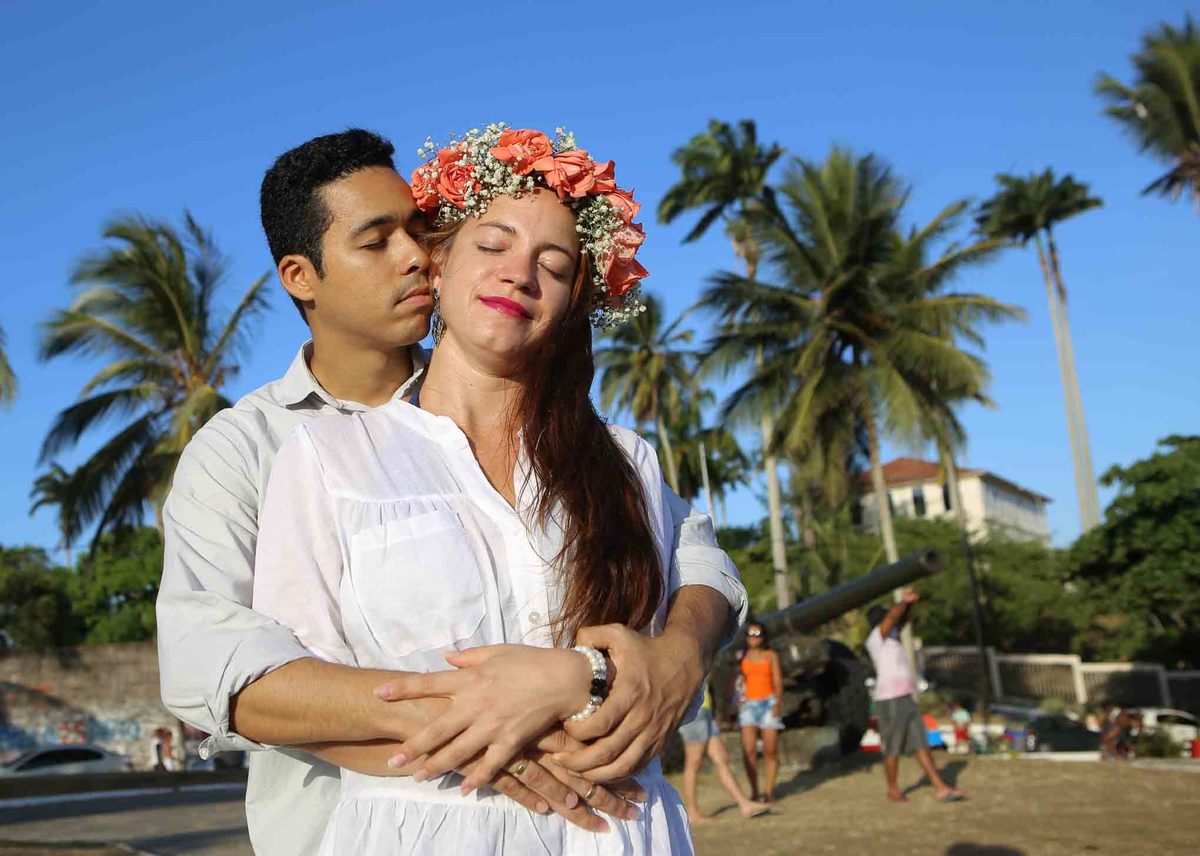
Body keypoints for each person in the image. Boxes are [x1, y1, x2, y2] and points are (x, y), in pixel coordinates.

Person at [156, 128, 748, 856]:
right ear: (300, 276)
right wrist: (502, 719)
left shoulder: (556, 418)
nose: (415, 254)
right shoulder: (256, 448)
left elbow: (696, 557)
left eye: (420, 230)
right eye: (376, 242)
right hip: (366, 822)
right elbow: (216, 672)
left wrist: (677, 657)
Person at [865, 590, 965, 803]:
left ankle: (940, 787)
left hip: (905, 696)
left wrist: (910, 605)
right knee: (893, 747)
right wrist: (902, 602)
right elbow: (893, 617)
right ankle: (892, 789)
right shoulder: (876, 638)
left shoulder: (893, 636)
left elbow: (902, 618)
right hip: (889, 699)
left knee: (921, 743)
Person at [677, 681, 768, 824]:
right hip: (693, 712)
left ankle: (744, 804)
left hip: (706, 710)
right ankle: (692, 812)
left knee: (721, 758)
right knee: (693, 762)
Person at [737, 619, 783, 805]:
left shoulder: (771, 655)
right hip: (748, 705)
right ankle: (755, 791)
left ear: (764, 637)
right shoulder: (742, 656)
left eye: (757, 634)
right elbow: (738, 682)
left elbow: (778, 681)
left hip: (768, 703)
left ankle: (769, 791)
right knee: (749, 750)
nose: (754, 638)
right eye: (750, 634)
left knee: (770, 750)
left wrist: (778, 702)